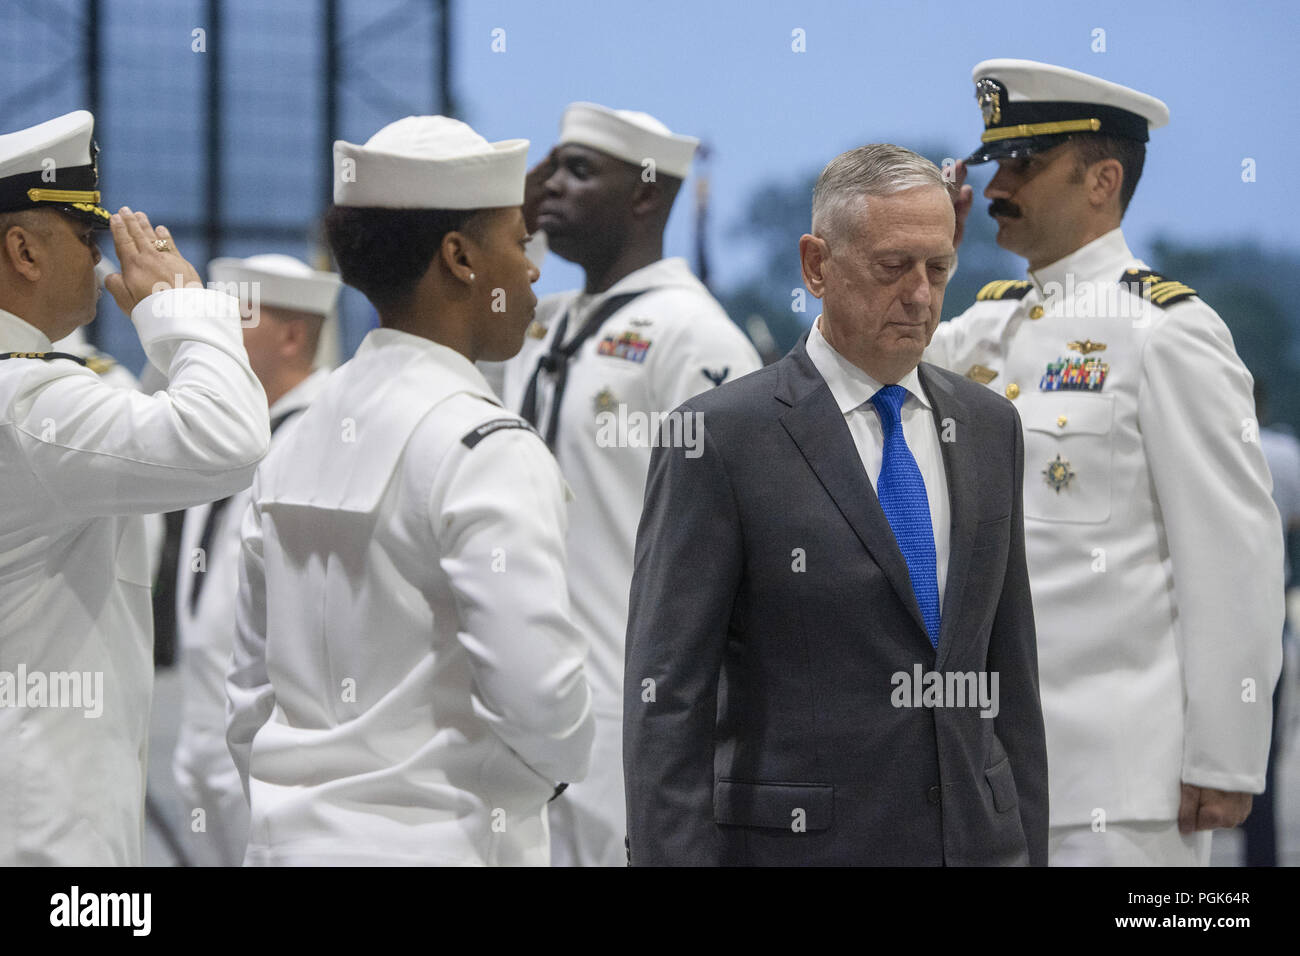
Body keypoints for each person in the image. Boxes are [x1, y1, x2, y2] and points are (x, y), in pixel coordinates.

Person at [624, 144, 1048, 866]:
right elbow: (668, 703)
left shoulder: (987, 427)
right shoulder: (720, 439)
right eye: (893, 266)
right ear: (816, 265)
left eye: (938, 268)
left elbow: (1010, 676)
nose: (920, 293)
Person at [927, 59, 1284, 865]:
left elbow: (1233, 557)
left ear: (1103, 180)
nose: (992, 188)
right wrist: (927, 261)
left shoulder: (1167, 333)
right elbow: (869, 397)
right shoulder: (976, 331)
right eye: (992, 165)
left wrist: (1224, 757)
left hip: (1118, 790)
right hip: (982, 775)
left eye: (1022, 164)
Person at [226, 116, 595, 866]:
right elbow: (543, 702)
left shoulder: (296, 434)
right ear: (460, 258)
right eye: (518, 243)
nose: (530, 271)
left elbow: (246, 700)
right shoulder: (484, 448)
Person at [492, 102, 762, 866]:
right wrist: (512, 215)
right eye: (551, 168)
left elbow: (737, 543)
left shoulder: (694, 334)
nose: (552, 188)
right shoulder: (539, 321)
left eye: (579, 172)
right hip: (523, 692)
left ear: (645, 195)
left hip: (629, 708)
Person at [0, 110, 270, 865]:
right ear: (22, 249)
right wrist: (182, 308)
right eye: (84, 239)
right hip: (41, 831)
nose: (98, 259)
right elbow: (227, 440)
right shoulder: (28, 403)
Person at [173, 254, 340, 866]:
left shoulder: (323, 436)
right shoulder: (230, 432)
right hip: (201, 730)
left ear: (293, 336)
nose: (216, 332)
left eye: (235, 316)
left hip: (277, 746)